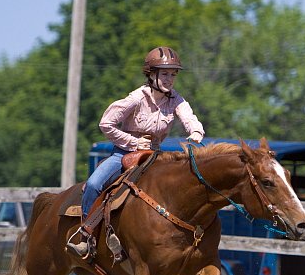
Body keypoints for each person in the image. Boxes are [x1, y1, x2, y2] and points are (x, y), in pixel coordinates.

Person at [67, 46, 205, 257]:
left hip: (155, 156)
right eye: (165, 74)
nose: (170, 79)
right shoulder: (136, 98)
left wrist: (195, 132)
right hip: (123, 154)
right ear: (151, 74)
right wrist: (133, 142)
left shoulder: (176, 100)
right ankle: (86, 235)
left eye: (173, 75)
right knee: (94, 184)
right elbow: (106, 123)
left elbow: (189, 118)